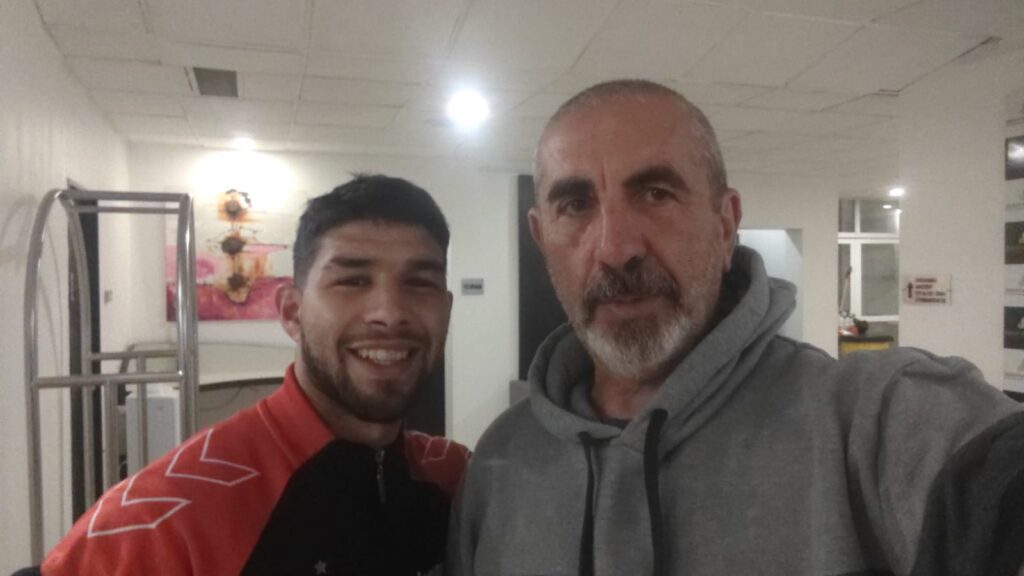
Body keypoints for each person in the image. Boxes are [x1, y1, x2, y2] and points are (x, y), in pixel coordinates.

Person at [448, 80, 1024, 576]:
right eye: (575, 205)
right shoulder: (498, 464)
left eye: (655, 194)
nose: (616, 249)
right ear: (541, 237)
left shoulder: (866, 421)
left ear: (725, 226)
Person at [41, 175, 469, 575]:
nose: (389, 313)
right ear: (292, 312)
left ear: (447, 310)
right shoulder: (160, 520)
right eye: (353, 281)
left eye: (420, 283)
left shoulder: (464, 481)